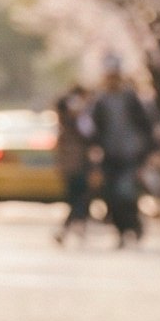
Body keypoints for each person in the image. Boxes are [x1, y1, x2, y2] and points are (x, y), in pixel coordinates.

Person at [90, 60, 156, 246]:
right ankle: (121, 230)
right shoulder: (101, 101)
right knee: (111, 196)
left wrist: (150, 151)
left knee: (125, 193)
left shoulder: (130, 98)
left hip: (131, 153)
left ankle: (134, 226)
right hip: (110, 154)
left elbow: (145, 125)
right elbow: (95, 129)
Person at [53, 84, 97, 245]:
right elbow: (89, 134)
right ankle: (69, 227)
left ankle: (77, 226)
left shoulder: (69, 123)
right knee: (79, 197)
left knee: (78, 197)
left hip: (74, 163)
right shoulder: (76, 120)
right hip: (78, 163)